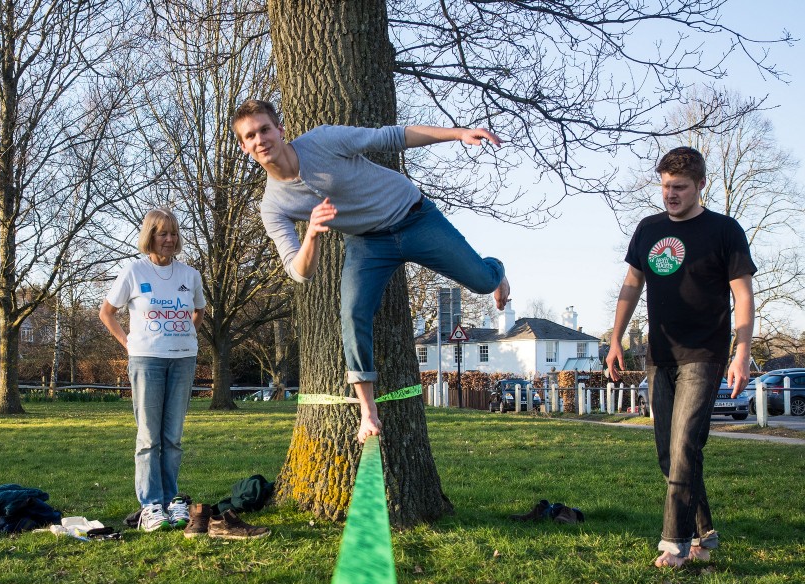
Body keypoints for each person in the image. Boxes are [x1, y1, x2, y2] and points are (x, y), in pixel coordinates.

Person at [231, 99, 511, 443]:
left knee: (483, 281)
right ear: (245, 147)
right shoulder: (273, 205)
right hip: (368, 244)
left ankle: (497, 269)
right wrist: (313, 236)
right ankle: (368, 413)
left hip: (415, 217)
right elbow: (298, 271)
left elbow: (392, 137)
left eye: (265, 129)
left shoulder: (323, 140)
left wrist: (457, 134)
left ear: (280, 130)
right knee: (351, 313)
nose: (260, 139)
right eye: (251, 136)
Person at [605, 146, 756, 569]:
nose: (670, 194)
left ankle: (675, 544)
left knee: (686, 445)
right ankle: (705, 535)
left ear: (700, 185)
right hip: (660, 354)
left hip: (704, 354)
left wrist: (741, 352)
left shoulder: (724, 231)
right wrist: (616, 338)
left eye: (680, 187)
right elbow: (632, 285)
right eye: (666, 186)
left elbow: (742, 295)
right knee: (669, 455)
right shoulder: (649, 228)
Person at [100, 208, 206, 532]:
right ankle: (150, 506)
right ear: (151, 236)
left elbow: (198, 311)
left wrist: (184, 336)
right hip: (146, 360)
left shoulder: (190, 275)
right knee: (149, 437)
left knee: (172, 438)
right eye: (163, 233)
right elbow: (106, 312)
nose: (170, 240)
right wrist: (129, 343)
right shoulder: (133, 271)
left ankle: (172, 502)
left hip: (183, 360)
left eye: (174, 233)